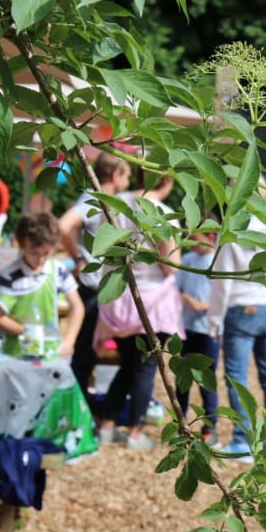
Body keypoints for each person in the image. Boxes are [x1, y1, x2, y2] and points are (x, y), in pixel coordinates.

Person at [93, 175, 183, 451]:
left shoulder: (115, 207)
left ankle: (107, 426)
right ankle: (135, 432)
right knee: (145, 369)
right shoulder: (164, 214)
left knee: (127, 365)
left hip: (119, 298)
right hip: (151, 303)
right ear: (167, 183)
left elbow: (102, 251)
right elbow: (172, 265)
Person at [208, 184, 266, 460]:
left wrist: (213, 320)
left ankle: (242, 442)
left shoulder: (235, 225)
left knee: (237, 379)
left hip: (243, 306)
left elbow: (223, 277)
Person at [59, 153, 132, 407]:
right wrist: (78, 258)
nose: (129, 181)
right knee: (86, 356)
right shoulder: (94, 199)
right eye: (127, 175)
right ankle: (82, 412)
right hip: (94, 290)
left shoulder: (111, 201)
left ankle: (94, 409)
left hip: (103, 289)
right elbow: (64, 225)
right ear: (115, 175)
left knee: (108, 355)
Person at [0, 212, 85, 359]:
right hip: (16, 354)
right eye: (34, 253)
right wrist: (28, 332)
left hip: (50, 351)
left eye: (46, 253)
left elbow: (77, 307)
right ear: (22, 245)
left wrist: (69, 341)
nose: (40, 259)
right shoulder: (9, 276)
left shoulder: (57, 270)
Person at [175, 228, 219, 445]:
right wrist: (183, 298)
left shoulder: (219, 262)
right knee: (182, 379)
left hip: (207, 330)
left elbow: (224, 297)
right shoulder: (188, 259)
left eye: (195, 237)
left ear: (211, 236)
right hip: (187, 327)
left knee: (207, 381)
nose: (189, 242)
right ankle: (181, 424)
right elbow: (176, 287)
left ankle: (210, 427)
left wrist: (203, 306)